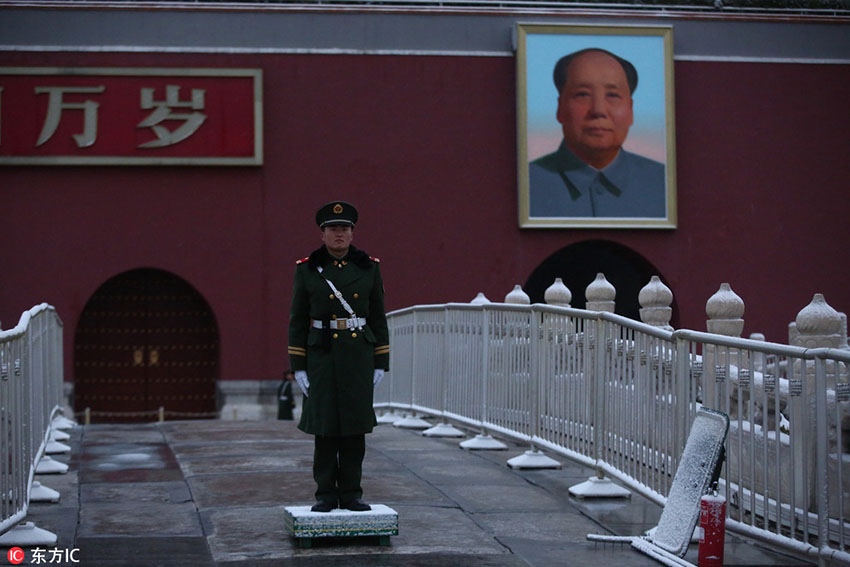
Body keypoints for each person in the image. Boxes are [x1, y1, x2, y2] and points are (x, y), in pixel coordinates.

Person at [287, 201, 390, 513]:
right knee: (326, 428)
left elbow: (377, 316)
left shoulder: (369, 267)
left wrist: (381, 360)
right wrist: (299, 366)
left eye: (344, 228)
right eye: (333, 229)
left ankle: (352, 493)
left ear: (352, 233)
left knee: (354, 428)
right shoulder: (306, 269)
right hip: (323, 357)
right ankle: (325, 495)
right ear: (323, 234)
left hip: (357, 355)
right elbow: (297, 320)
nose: (339, 234)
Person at [529, 48, 666, 218]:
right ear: (560, 108)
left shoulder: (665, 184)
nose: (598, 110)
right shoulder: (526, 184)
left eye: (612, 95)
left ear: (631, 110)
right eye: (582, 95)